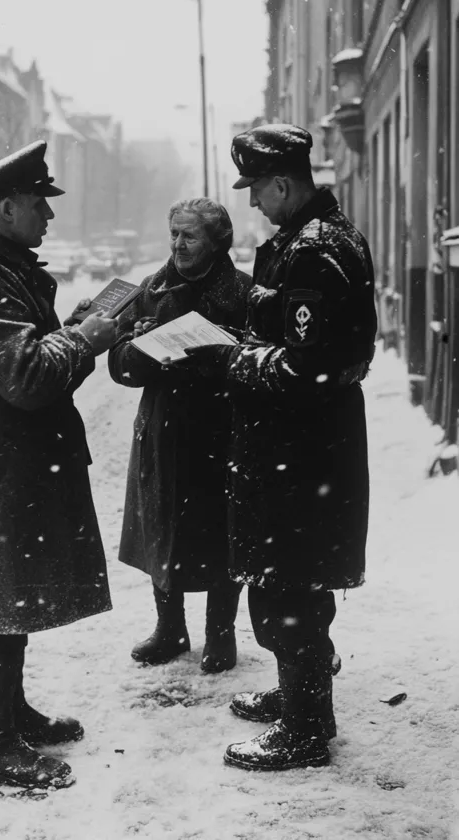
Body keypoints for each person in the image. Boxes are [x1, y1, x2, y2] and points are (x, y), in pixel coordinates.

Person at [185, 125, 377, 771]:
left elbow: (308, 369)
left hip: (299, 458)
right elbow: (307, 328)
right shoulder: (318, 239)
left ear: (285, 184)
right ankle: (303, 700)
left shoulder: (314, 250)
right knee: (291, 584)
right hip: (306, 454)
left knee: (285, 589)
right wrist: (261, 313)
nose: (253, 205)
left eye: (258, 192)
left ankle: (303, 730)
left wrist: (230, 360)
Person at [0, 140, 117, 791]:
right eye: (39, 204)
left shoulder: (1, 268)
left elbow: (30, 353)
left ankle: (9, 714)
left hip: (7, 463)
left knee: (6, 596)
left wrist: (78, 328)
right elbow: (27, 375)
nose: (49, 216)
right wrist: (86, 336)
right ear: (7, 207)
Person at [108, 198, 251, 673]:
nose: (178, 244)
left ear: (217, 241)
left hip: (219, 429)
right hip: (163, 428)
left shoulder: (244, 293)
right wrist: (143, 352)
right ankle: (170, 628)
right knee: (162, 524)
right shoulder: (151, 289)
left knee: (220, 530)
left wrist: (214, 354)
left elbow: (254, 364)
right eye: (173, 233)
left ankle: (220, 633)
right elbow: (119, 365)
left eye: (189, 236)